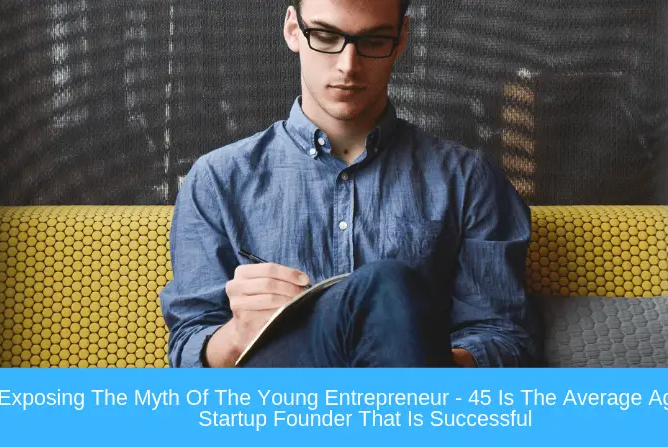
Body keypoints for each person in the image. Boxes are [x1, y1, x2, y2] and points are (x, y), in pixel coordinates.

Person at [159, 0, 536, 368]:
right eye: (325, 36)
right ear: (294, 29)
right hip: (275, 409)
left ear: (401, 39)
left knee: (388, 286)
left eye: (373, 42)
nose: (348, 66)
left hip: (411, 402)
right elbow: (189, 348)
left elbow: (504, 339)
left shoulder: (468, 180)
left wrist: (411, 348)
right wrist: (239, 332)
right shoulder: (217, 179)